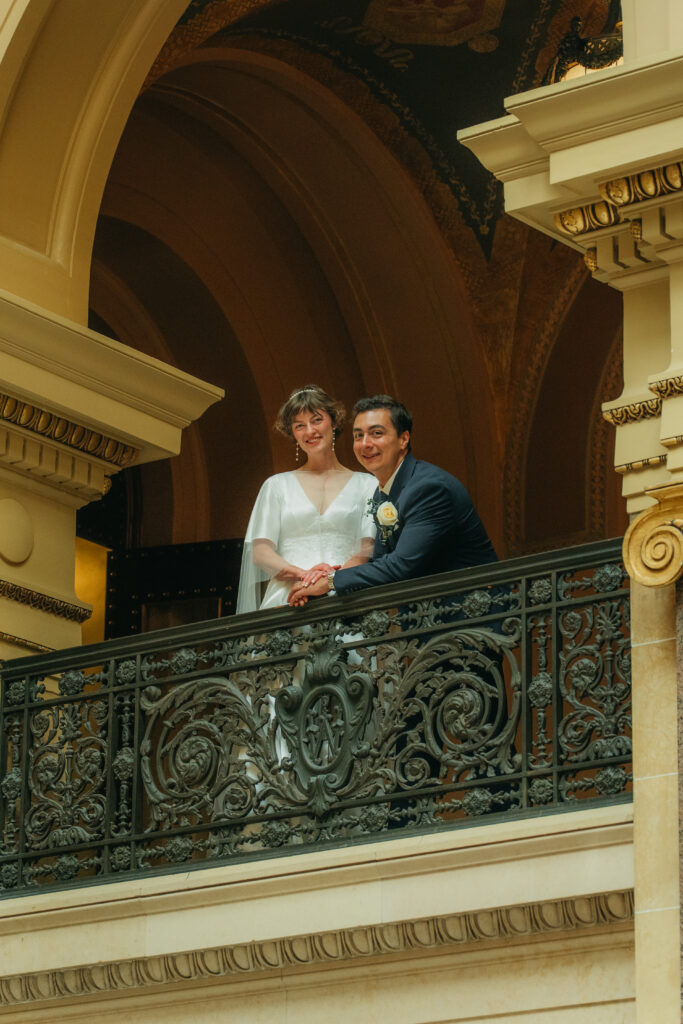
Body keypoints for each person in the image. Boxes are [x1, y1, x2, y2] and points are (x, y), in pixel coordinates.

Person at [288, 394, 497, 605]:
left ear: (404, 439)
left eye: (376, 433)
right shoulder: (383, 492)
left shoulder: (429, 488)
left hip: (474, 612)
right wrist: (331, 575)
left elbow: (400, 565)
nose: (365, 444)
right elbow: (380, 560)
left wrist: (332, 581)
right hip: (433, 618)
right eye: (358, 436)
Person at [236, 386, 377, 613]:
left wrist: (330, 580)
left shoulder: (367, 485)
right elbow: (261, 552)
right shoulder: (276, 486)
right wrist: (305, 577)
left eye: (317, 420)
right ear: (292, 433)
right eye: (299, 425)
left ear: (335, 421)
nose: (309, 431)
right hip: (288, 595)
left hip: (346, 595)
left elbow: (368, 549)